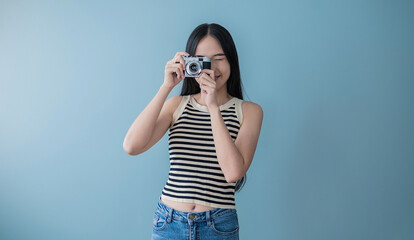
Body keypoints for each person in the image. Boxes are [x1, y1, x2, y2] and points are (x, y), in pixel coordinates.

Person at [123, 23, 263, 240]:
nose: (211, 68)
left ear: (231, 60)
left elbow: (233, 173)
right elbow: (131, 145)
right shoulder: (177, 105)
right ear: (190, 63)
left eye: (219, 58)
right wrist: (166, 87)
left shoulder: (249, 111)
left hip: (219, 225)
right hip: (169, 222)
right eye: (203, 60)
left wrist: (213, 106)